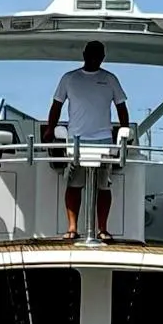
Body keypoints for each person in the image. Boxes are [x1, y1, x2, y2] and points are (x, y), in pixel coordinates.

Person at [41, 39, 132, 242]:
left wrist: (124, 131)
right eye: (91, 54)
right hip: (76, 140)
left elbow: (121, 107)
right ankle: (72, 228)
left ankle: (102, 229)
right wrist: (50, 128)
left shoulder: (110, 79)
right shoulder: (69, 78)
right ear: (84, 55)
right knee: (74, 184)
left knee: (104, 186)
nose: (94, 58)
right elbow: (56, 105)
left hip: (104, 139)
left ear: (103, 57)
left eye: (98, 55)